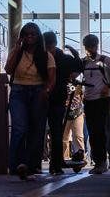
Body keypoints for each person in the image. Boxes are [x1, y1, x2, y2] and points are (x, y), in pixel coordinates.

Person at [4, 22, 54, 180]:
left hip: (38, 92)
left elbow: (52, 77)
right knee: (19, 128)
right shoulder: (17, 52)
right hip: (18, 91)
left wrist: (46, 91)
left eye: (33, 34)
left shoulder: (46, 55)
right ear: (22, 37)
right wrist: (17, 48)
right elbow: (8, 69)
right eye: (26, 34)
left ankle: (31, 165)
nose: (30, 37)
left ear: (38, 37)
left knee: (36, 130)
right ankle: (14, 165)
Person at [42, 32, 80, 175]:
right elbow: (78, 68)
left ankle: (52, 163)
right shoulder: (64, 58)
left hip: (43, 97)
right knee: (56, 131)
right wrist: (75, 54)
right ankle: (56, 164)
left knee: (50, 131)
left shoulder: (41, 56)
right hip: (57, 97)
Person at [80, 34, 110, 175]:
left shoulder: (105, 60)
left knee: (100, 131)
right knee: (92, 131)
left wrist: (108, 87)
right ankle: (98, 162)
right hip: (88, 101)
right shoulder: (83, 62)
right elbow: (74, 74)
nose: (90, 50)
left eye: (92, 47)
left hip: (102, 101)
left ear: (97, 46)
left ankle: (102, 162)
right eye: (88, 47)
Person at [62, 84, 85, 162]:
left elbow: (82, 95)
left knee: (79, 136)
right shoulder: (63, 81)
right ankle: (64, 158)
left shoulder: (78, 83)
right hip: (65, 113)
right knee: (64, 137)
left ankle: (81, 156)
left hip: (77, 112)